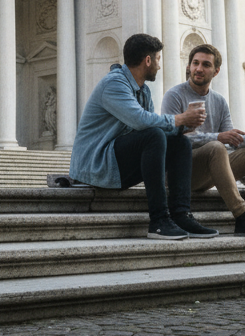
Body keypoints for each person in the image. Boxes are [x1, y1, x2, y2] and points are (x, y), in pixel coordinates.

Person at [69, 33, 218, 240]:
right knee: (154, 136)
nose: (159, 65)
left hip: (117, 163)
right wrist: (179, 118)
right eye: (158, 59)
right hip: (97, 164)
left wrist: (183, 126)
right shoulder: (114, 84)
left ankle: (181, 215)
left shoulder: (143, 90)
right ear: (148, 60)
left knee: (180, 143)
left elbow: (149, 127)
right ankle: (158, 221)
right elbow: (141, 122)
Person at [161, 44, 245, 237]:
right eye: (195, 63)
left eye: (206, 65)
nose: (199, 68)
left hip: (210, 168)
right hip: (180, 173)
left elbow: (229, 138)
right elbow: (172, 138)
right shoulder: (174, 95)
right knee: (216, 147)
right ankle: (242, 215)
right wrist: (217, 137)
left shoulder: (219, 101)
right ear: (189, 66)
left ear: (216, 71)